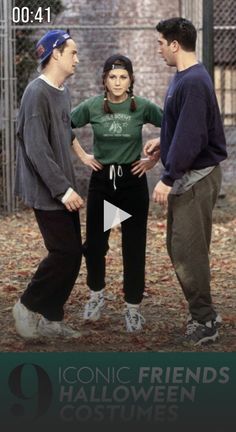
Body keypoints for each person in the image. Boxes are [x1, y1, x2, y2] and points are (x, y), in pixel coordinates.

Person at [144, 17, 227, 345]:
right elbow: (185, 125)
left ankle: (205, 322)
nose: (159, 49)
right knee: (182, 247)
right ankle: (204, 312)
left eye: (161, 43)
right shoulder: (186, 76)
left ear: (175, 44)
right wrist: (163, 143)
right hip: (190, 176)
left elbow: (194, 136)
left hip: (195, 178)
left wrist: (167, 177)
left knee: (187, 251)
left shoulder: (192, 81)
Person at [71, 54, 163, 332]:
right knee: (95, 247)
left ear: (131, 79)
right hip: (102, 183)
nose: (118, 82)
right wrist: (83, 156)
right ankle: (96, 294)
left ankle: (133, 308)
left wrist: (154, 159)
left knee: (133, 248)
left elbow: (173, 126)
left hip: (132, 183)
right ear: (104, 80)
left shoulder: (142, 107)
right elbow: (63, 124)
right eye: (113, 77)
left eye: (123, 77)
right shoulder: (93, 106)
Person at [13, 29, 84, 339]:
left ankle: (52, 320)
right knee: (63, 252)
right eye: (72, 52)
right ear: (55, 54)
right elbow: (36, 148)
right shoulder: (36, 93)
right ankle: (28, 305)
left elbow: (64, 133)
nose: (77, 59)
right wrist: (62, 189)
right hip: (48, 191)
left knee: (74, 254)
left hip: (63, 186)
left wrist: (81, 155)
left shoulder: (61, 90)